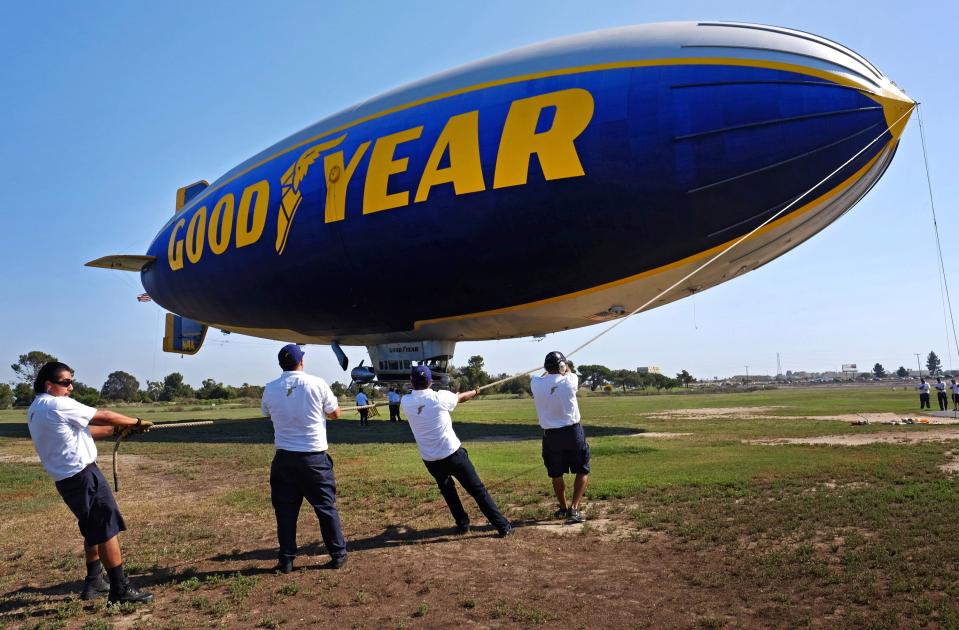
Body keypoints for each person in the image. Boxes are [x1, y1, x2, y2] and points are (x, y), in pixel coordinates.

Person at [26, 362, 154, 604]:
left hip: (67, 480)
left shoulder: (36, 408)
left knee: (94, 525)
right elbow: (101, 415)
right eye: (65, 383)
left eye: (71, 381)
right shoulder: (58, 403)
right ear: (49, 385)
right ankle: (120, 589)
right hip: (83, 476)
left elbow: (83, 432)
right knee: (106, 529)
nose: (70, 387)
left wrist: (118, 429)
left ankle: (94, 581)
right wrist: (135, 421)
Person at [261, 344, 348, 572]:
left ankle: (287, 559)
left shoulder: (270, 388)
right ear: (301, 362)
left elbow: (267, 412)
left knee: (285, 511)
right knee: (325, 508)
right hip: (314, 460)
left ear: (281, 364)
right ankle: (338, 555)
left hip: (284, 460)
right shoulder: (317, 383)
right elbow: (335, 414)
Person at [400, 365, 512, 537]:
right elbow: (460, 398)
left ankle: (462, 523)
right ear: (430, 381)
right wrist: (475, 392)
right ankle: (502, 526)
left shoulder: (406, 402)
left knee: (449, 492)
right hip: (453, 455)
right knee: (478, 491)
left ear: (411, 382)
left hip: (430, 459)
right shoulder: (440, 397)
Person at [530, 351, 590, 524]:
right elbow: (568, 372)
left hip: (550, 436)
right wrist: (564, 367)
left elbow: (540, 377)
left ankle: (563, 508)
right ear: (562, 366)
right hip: (572, 433)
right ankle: (574, 508)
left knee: (556, 473)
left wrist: (548, 370)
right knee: (582, 469)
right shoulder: (570, 380)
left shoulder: (536, 383)